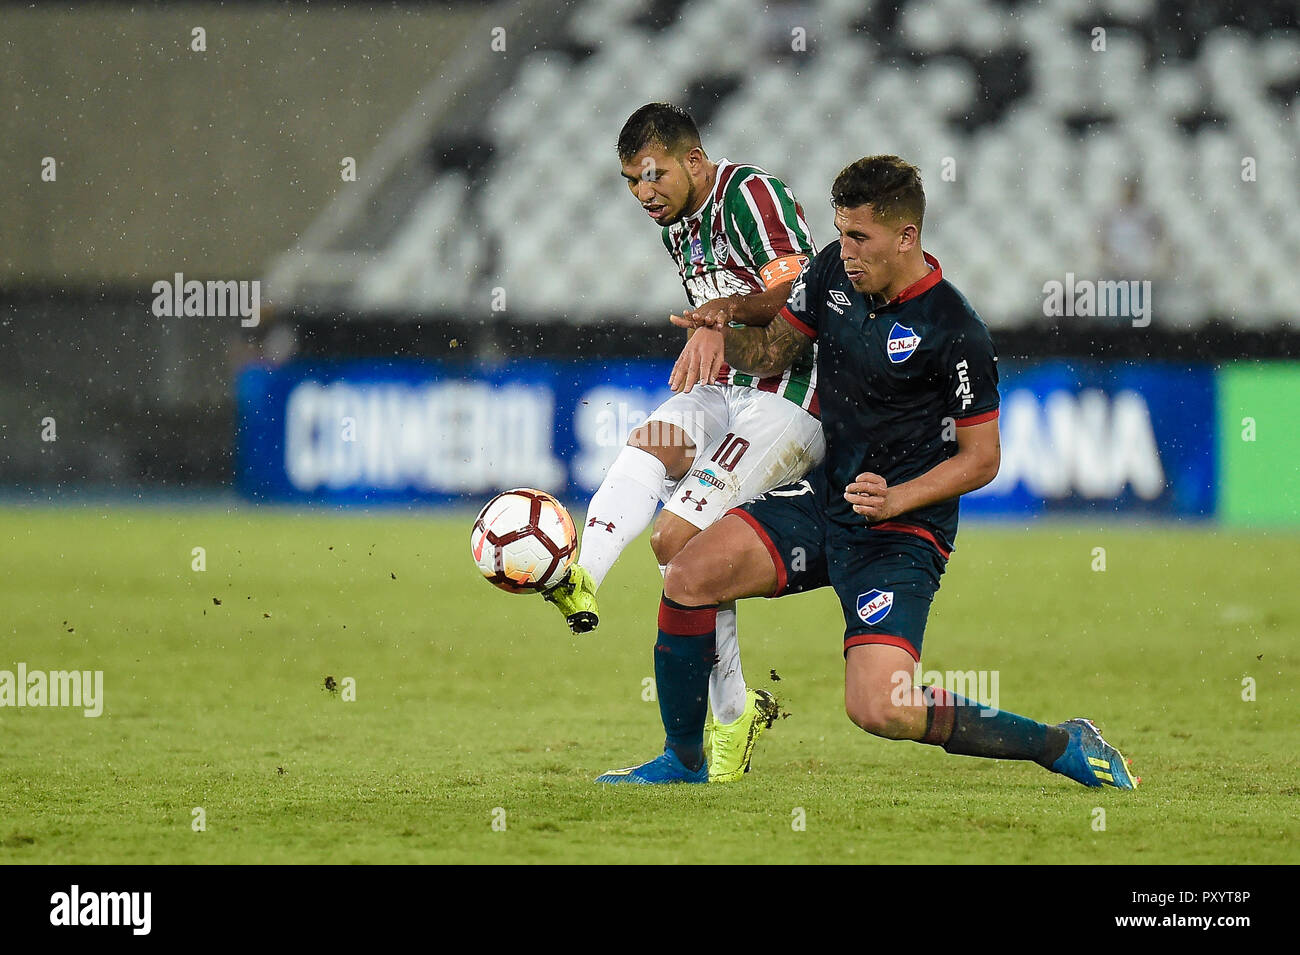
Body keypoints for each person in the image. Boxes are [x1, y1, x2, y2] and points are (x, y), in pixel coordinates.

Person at [597, 155, 1139, 789]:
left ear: (906, 236)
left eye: (860, 238)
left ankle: (1059, 744)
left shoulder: (955, 330)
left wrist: (898, 498)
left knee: (879, 708)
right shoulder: (832, 272)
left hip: (899, 535)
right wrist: (720, 332)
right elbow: (775, 350)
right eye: (841, 232)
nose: (845, 251)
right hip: (824, 504)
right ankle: (684, 761)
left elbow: (982, 458)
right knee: (688, 572)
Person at [543, 103, 824, 781]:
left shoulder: (749, 194)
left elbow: (805, 288)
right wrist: (719, 328)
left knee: (676, 541)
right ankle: (582, 577)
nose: (643, 191)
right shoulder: (676, 224)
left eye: (653, 173)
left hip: (790, 400)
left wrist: (724, 313)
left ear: (693, 161)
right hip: (729, 388)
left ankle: (718, 727)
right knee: (649, 444)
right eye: (630, 180)